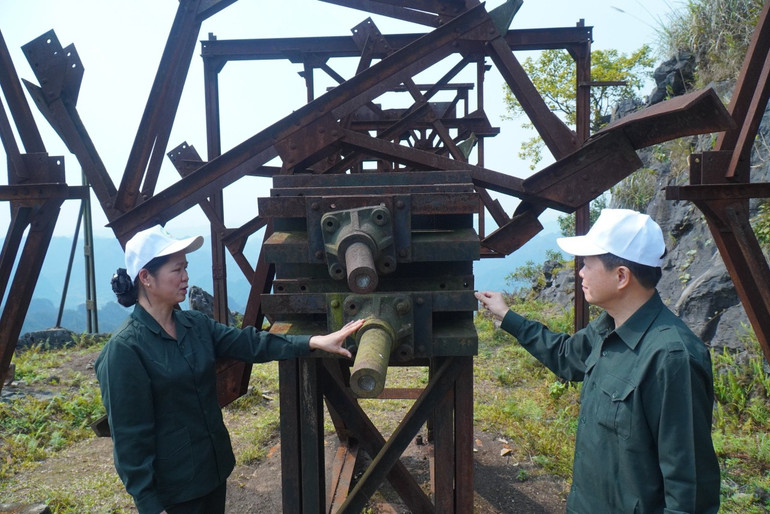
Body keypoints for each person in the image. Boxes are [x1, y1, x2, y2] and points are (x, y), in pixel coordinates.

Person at [95, 225, 364, 514]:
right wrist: (149, 506)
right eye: (176, 270)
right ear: (146, 278)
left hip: (213, 472)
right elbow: (130, 439)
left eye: (185, 268)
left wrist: (313, 341)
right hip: (174, 492)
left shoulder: (195, 325)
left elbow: (252, 343)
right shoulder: (125, 351)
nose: (185, 277)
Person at [475, 208, 720, 513]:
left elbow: (689, 492)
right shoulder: (608, 327)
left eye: (587, 265)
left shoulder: (671, 358)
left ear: (621, 276)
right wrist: (507, 316)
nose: (580, 273)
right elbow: (565, 356)